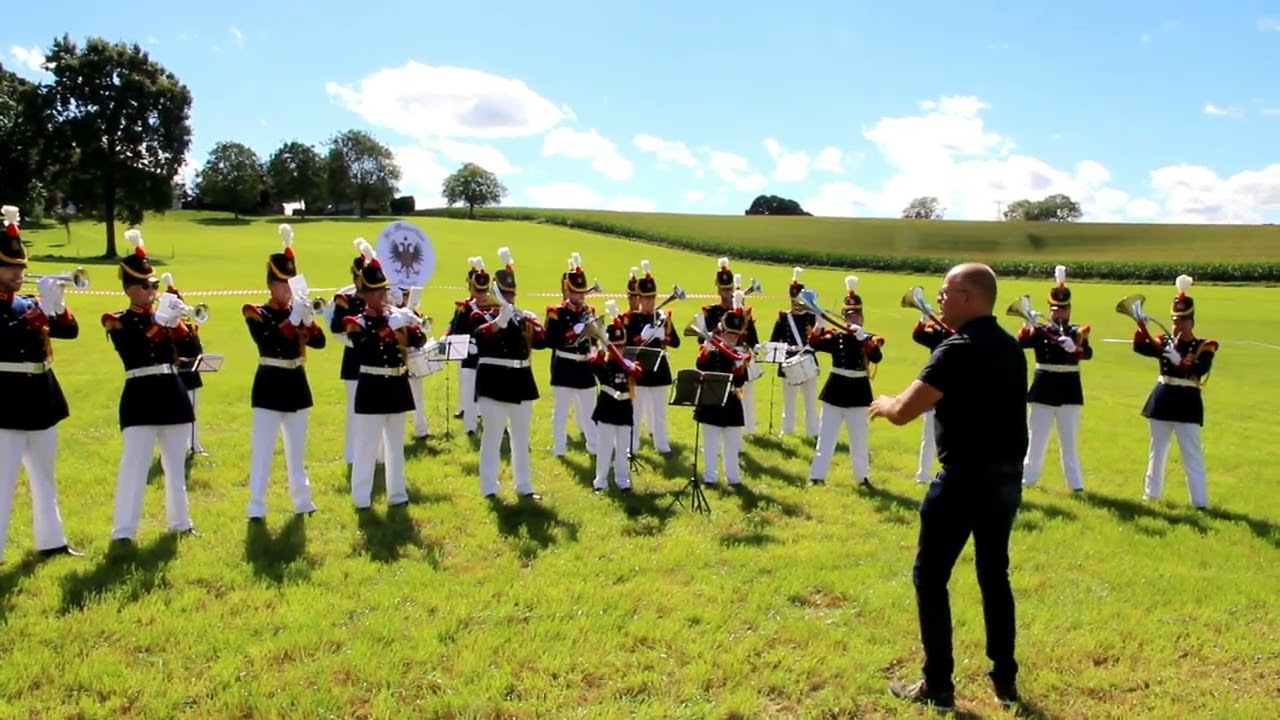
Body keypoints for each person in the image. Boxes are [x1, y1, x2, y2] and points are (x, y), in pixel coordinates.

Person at [870, 262, 1027, 710]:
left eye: (945, 291)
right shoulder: (1012, 348)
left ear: (969, 298)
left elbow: (903, 410)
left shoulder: (955, 350)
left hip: (963, 481)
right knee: (994, 575)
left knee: (930, 577)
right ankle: (1005, 681)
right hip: (1006, 481)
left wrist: (883, 403)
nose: (939, 298)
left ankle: (937, 686)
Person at [103, 228, 198, 542]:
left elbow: (192, 353)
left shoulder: (165, 317)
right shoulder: (117, 319)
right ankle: (123, 531)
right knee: (134, 466)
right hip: (140, 395)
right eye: (145, 286)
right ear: (130, 288)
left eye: (154, 285)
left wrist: (183, 324)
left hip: (172, 392)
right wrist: (162, 322)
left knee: (175, 465)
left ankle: (181, 522)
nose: (151, 290)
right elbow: (135, 350)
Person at [0, 204, 81, 561]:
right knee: (2, 482)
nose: (19, 273)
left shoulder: (29, 302)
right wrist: (38, 312)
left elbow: (70, 332)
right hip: (5, 400)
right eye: (11, 267)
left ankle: (51, 540)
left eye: (21, 267)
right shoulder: (21, 308)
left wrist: (57, 306)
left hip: (39, 398)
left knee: (44, 477)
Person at [242, 223, 325, 521]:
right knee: (263, 450)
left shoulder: (297, 310)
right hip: (269, 384)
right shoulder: (256, 312)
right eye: (281, 284)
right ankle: (256, 505)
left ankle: (302, 500)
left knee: (297, 452)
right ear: (270, 285)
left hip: (296, 383)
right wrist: (292, 319)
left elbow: (320, 342)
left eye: (290, 283)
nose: (287, 289)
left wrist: (308, 320)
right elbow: (269, 340)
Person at [342, 240, 426, 510]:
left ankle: (397, 494)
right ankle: (361, 498)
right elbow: (365, 349)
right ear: (364, 295)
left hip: (397, 384)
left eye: (383, 291)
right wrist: (388, 326)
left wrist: (410, 319)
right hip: (372, 385)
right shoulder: (356, 323)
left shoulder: (394, 315)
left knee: (395, 446)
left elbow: (419, 340)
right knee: (366, 447)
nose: (382, 297)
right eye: (376, 292)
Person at [1132, 274, 1217, 509]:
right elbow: (1140, 347)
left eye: (1182, 320)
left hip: (1187, 402)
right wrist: (1141, 324)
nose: (1177, 325)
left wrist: (1181, 361)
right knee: (1157, 451)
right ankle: (1151, 495)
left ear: (1192, 322)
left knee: (1192, 454)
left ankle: (1200, 502)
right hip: (1162, 399)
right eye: (1174, 320)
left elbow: (1201, 368)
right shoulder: (1165, 341)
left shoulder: (1204, 345)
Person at [471, 247, 549, 500]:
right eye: (506, 293)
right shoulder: (479, 312)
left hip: (521, 382)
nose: (510, 298)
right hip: (493, 382)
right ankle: (489, 487)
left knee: (521, 436)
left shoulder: (518, 315)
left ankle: (524, 485)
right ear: (495, 292)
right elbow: (480, 335)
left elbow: (541, 343)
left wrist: (535, 325)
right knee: (492, 436)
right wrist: (500, 320)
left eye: (512, 294)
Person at [1019, 265, 1093, 492]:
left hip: (1069, 390)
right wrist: (1026, 325)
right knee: (1037, 439)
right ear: (1049, 310)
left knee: (1069, 441)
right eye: (1055, 309)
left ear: (1069, 310)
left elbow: (1088, 354)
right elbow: (1020, 343)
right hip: (1043, 388)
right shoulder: (1039, 330)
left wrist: (1075, 349)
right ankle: (1027, 480)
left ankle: (1076, 484)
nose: (1059, 314)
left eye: (1063, 309)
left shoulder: (1078, 332)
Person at [807, 276, 882, 487]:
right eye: (849, 315)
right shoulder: (837, 337)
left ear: (863, 317)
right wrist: (819, 324)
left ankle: (862, 477)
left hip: (858, 393)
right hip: (835, 391)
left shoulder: (869, 338)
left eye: (857, 315)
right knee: (826, 438)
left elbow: (876, 357)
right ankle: (817, 476)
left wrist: (863, 339)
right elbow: (814, 343)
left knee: (859, 440)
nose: (853, 319)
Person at [328, 242, 383, 466]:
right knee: (354, 411)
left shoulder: (381, 299)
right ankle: (352, 454)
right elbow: (335, 328)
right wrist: (358, 342)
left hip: (379, 361)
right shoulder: (346, 300)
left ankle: (379, 454)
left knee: (379, 410)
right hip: (354, 360)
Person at [621, 260, 679, 454]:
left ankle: (662, 445)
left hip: (659, 370)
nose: (649, 303)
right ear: (639, 299)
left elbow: (676, 342)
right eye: (646, 299)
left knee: (659, 413)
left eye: (652, 299)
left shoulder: (662, 316)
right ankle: (632, 446)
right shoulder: (631, 319)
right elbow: (625, 344)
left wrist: (665, 336)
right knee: (636, 412)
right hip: (639, 371)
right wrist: (641, 337)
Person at [695, 290, 752, 486]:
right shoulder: (710, 346)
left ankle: (733, 477)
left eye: (736, 336)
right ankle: (710, 477)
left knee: (732, 441)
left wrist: (739, 367)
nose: (732, 339)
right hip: (711, 398)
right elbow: (700, 366)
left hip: (732, 400)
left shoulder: (739, 353)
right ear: (722, 331)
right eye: (730, 334)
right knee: (710, 442)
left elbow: (740, 382)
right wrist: (707, 351)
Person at [544, 252, 598, 456]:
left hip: (584, 365)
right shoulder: (556, 312)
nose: (581, 296)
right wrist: (571, 332)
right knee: (561, 412)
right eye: (577, 292)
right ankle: (559, 448)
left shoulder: (589, 310)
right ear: (567, 290)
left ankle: (594, 447)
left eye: (582, 292)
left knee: (589, 411)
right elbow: (550, 340)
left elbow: (593, 339)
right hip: (565, 365)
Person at [589, 300, 644, 493]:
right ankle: (600, 481)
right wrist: (603, 347)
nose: (619, 350)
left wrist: (627, 363)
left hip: (624, 408)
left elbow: (638, 373)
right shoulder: (603, 362)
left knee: (623, 448)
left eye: (622, 346)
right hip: (607, 407)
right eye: (616, 346)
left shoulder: (629, 363)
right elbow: (594, 363)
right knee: (605, 447)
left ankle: (622, 480)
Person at [158, 272, 208, 457]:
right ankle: (175, 448)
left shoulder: (189, 328)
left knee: (193, 414)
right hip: (171, 376)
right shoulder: (163, 328)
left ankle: (195, 445)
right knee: (173, 416)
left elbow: (197, 351)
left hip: (191, 376)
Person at [769, 267, 821, 438]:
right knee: (789, 400)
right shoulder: (783, 318)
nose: (796, 305)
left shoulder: (811, 317)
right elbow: (774, 340)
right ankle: (788, 430)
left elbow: (820, 342)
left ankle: (813, 431)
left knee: (810, 400)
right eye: (793, 301)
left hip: (807, 359)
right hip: (789, 360)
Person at [444, 257, 492, 435]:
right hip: (470, 353)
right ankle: (470, 425)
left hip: (488, 355)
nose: (481, 294)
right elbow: (457, 329)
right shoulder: (465, 309)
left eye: (484, 290)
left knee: (487, 391)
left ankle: (488, 422)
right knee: (468, 388)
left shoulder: (494, 308)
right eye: (478, 290)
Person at [911, 310, 953, 484]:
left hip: (958, 391)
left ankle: (951, 474)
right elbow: (918, 335)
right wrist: (924, 317)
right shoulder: (938, 333)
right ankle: (923, 474)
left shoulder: (965, 331)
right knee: (929, 436)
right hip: (936, 388)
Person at [392, 285, 430, 439]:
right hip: (395, 361)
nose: (406, 299)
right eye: (404, 295)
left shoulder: (412, 313)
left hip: (412, 360)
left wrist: (417, 328)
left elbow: (420, 338)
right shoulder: (390, 314)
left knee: (418, 396)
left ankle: (421, 430)